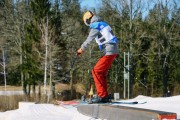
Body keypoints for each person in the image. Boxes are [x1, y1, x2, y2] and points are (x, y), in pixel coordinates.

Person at [76, 11, 118, 103]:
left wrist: (81, 49)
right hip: (111, 50)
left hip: (109, 50)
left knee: (96, 71)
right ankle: (105, 95)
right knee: (101, 73)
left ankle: (102, 96)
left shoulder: (95, 25)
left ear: (88, 20)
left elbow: (89, 40)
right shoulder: (103, 23)